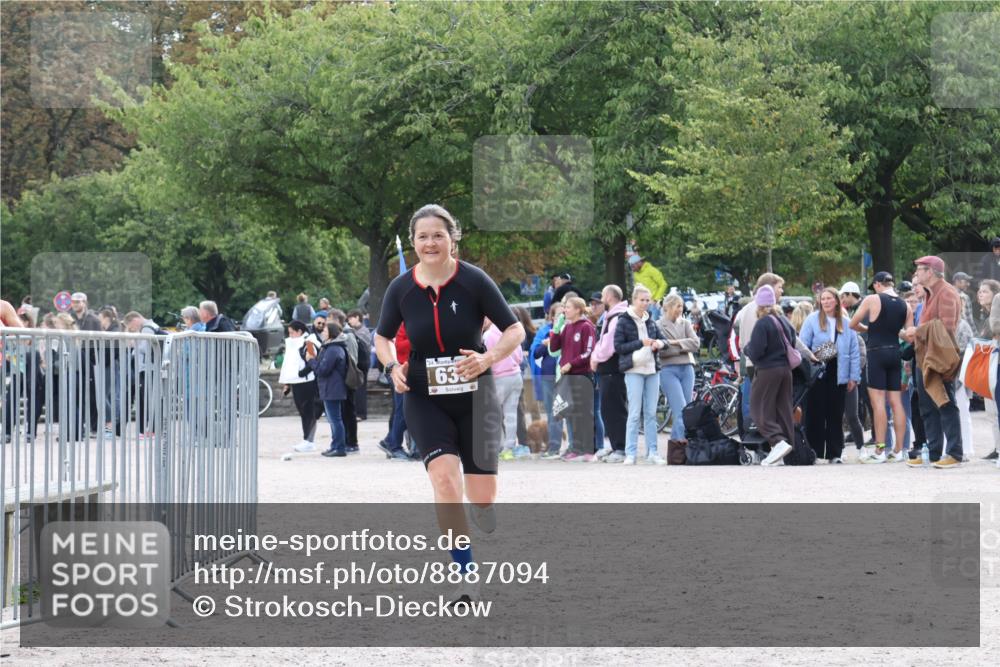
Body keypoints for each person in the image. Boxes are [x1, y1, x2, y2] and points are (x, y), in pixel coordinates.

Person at [374, 204, 524, 608]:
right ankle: (465, 575)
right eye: (422, 236)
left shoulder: (473, 281)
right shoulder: (401, 288)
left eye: (437, 235)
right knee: (443, 481)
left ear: (452, 238)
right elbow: (382, 337)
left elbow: (515, 328)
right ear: (413, 242)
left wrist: (487, 359)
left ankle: (483, 505)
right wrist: (391, 366)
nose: (430, 243)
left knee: (482, 495)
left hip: (475, 394)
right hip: (424, 395)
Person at [903, 256, 963, 468]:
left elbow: (946, 328)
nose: (917, 274)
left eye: (920, 270)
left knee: (945, 404)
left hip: (939, 357)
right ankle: (935, 453)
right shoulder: (929, 294)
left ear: (930, 272)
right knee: (927, 407)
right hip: (924, 357)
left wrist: (917, 331)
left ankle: (955, 453)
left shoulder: (946, 292)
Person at [849, 272, 913, 462]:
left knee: (878, 403)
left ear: (877, 285)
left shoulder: (872, 299)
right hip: (895, 353)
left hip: (876, 352)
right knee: (896, 403)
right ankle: (899, 450)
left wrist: (870, 329)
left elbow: (853, 323)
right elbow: (909, 336)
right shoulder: (906, 305)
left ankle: (880, 451)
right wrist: (893, 331)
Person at [802, 288, 861, 463]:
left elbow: (854, 351)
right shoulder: (812, 320)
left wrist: (853, 377)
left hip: (839, 371)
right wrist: (817, 356)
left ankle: (835, 453)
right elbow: (803, 345)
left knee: (835, 414)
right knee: (815, 413)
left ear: (836, 300)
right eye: (823, 299)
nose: (826, 302)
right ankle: (816, 452)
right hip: (818, 371)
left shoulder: (846, 322)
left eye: (829, 298)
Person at [743, 285, 796, 466]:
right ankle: (785, 449)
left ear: (758, 305)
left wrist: (746, 349)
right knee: (783, 409)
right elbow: (793, 343)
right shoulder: (783, 321)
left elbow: (756, 352)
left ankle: (777, 442)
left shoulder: (763, 323)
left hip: (767, 371)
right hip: (785, 370)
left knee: (759, 408)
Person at [614, 285, 667, 465]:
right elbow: (619, 347)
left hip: (652, 370)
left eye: (647, 300)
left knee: (651, 413)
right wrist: (640, 343)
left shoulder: (651, 320)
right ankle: (631, 452)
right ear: (634, 300)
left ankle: (653, 452)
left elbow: (663, 340)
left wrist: (658, 344)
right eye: (642, 300)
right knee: (635, 413)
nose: (645, 303)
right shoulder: (624, 320)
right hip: (633, 370)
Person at [549, 296, 597, 462]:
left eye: (568, 307)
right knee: (572, 414)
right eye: (564, 307)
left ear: (577, 309)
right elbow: (554, 347)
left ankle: (589, 450)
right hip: (567, 377)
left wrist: (571, 363)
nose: (565, 310)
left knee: (585, 413)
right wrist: (556, 328)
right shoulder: (566, 327)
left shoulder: (586, 327)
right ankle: (576, 449)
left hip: (582, 375)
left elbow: (589, 351)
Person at [590, 285, 629, 462]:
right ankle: (617, 446)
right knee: (610, 408)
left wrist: (596, 357)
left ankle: (621, 447)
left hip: (612, 369)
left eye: (603, 296)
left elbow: (608, 345)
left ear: (609, 297)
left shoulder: (616, 317)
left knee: (614, 409)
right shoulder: (615, 315)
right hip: (610, 370)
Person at [657, 293, 699, 444]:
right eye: (677, 306)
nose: (680, 309)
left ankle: (675, 446)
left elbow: (696, 344)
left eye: (681, 306)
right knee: (680, 409)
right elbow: (662, 351)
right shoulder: (658, 325)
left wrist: (673, 343)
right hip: (668, 370)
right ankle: (682, 443)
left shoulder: (686, 323)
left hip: (687, 369)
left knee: (685, 411)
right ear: (667, 307)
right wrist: (683, 346)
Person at [281, 321, 326, 453]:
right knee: (303, 412)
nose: (290, 335)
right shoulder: (295, 342)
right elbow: (290, 363)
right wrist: (287, 383)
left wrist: (304, 372)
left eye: (292, 332)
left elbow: (313, 357)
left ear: (299, 331)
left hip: (306, 382)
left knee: (308, 412)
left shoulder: (308, 341)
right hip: (297, 381)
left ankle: (309, 440)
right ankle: (307, 439)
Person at [305, 321, 348, 457]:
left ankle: (339, 447)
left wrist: (311, 360)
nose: (323, 332)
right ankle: (335, 446)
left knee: (335, 419)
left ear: (331, 333)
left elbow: (323, 370)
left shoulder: (333, 349)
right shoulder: (332, 347)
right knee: (334, 418)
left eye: (325, 330)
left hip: (332, 388)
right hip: (331, 388)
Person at [485, 316, 525, 461]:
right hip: (515, 375)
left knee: (493, 413)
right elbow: (520, 357)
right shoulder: (511, 332)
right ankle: (509, 447)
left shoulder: (488, 336)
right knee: (511, 414)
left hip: (498, 378)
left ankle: (498, 446)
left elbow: (486, 360)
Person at [531, 303, 567, 459]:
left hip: (565, 375)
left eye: (563, 314)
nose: (561, 317)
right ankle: (553, 447)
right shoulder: (544, 331)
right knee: (551, 412)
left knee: (562, 411)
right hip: (548, 377)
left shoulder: (570, 328)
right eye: (558, 314)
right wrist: (547, 344)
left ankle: (572, 446)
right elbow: (536, 353)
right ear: (552, 317)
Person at [839, 281, 869, 453]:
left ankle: (861, 447)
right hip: (836, 377)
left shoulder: (852, 331)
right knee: (839, 415)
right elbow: (822, 354)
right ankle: (838, 449)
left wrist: (855, 375)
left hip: (850, 377)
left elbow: (860, 353)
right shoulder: (829, 332)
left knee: (853, 414)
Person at [976, 280, 1000, 462]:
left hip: (994, 360)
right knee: (991, 410)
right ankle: (997, 447)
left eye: (985, 291)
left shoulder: (994, 314)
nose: (980, 294)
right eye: (979, 291)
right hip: (988, 363)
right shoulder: (985, 315)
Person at [346, 309, 371, 422]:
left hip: (362, 363)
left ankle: (361, 413)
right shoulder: (354, 331)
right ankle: (356, 412)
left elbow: (362, 346)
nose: (349, 321)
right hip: (357, 363)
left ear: (357, 317)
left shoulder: (363, 331)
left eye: (351, 318)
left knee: (360, 388)